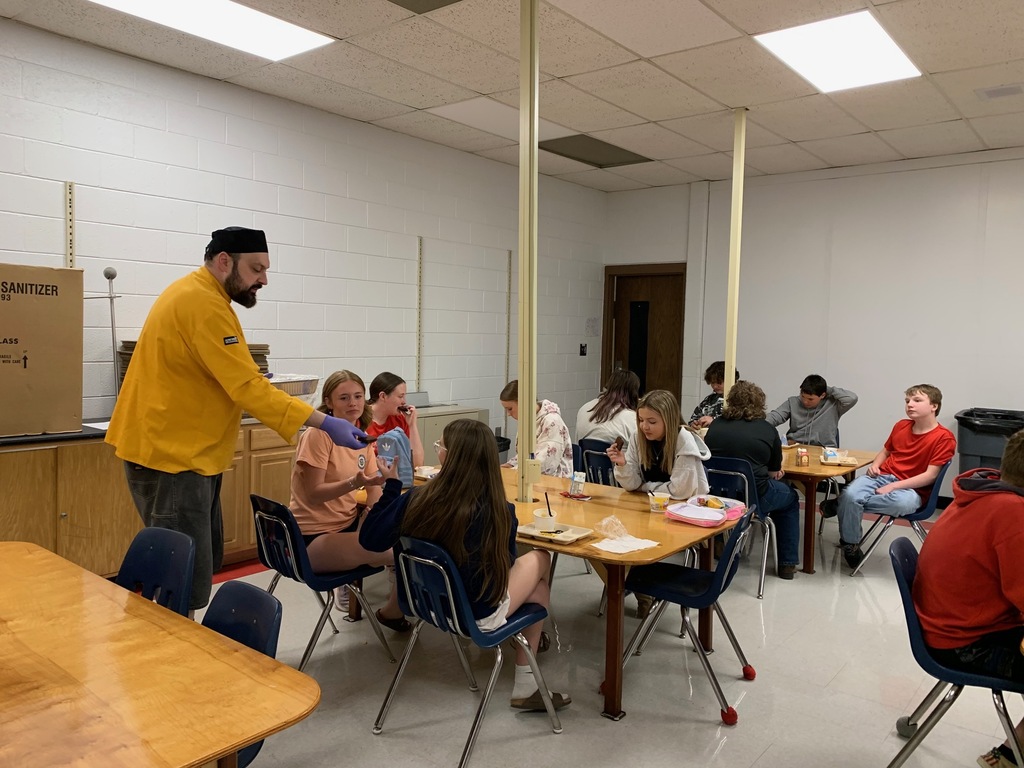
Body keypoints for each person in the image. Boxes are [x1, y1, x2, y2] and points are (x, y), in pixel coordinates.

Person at [106, 227, 367, 614]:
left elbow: (223, 376)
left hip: (179, 451)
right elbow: (246, 386)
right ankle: (171, 647)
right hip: (173, 457)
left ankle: (177, 639)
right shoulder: (203, 304)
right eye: (256, 269)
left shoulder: (196, 294)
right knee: (178, 578)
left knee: (191, 567)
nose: (263, 279)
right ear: (224, 261)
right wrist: (322, 422)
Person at [360, 419, 571, 712]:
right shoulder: (499, 511)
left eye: (440, 446)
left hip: (424, 606)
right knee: (541, 561)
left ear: (449, 456)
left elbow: (370, 540)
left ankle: (525, 664)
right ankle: (525, 683)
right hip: (475, 615)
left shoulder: (416, 499)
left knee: (538, 592)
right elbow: (504, 568)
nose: (437, 451)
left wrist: (392, 485)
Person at [913, 429, 1024, 768]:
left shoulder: (984, 491)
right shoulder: (1014, 514)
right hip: (965, 643)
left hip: (951, 625)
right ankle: (1011, 756)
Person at [288, 370, 409, 631]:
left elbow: (374, 491)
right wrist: (355, 483)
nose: (353, 403)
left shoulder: (361, 436)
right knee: (404, 553)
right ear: (329, 402)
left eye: (358, 396)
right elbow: (314, 493)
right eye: (344, 398)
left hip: (346, 526)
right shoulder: (318, 435)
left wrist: (378, 510)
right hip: (313, 537)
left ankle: (394, 605)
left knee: (402, 538)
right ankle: (392, 611)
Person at [835, 384, 956, 568]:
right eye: (907, 401)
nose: (910, 405)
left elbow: (930, 476)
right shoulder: (901, 425)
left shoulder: (944, 438)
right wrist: (875, 465)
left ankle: (841, 503)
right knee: (851, 495)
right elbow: (885, 451)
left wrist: (893, 486)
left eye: (917, 400)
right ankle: (850, 544)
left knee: (902, 503)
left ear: (934, 406)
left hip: (911, 488)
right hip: (882, 476)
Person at [704, 380, 801, 580]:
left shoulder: (716, 425)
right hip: (753, 500)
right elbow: (773, 472)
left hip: (718, 499)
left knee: (731, 492)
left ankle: (720, 543)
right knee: (790, 498)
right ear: (759, 403)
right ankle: (787, 563)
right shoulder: (767, 430)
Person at [608, 389, 710, 500]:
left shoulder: (684, 441)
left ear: (668, 421)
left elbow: (679, 492)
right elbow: (631, 485)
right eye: (641, 420)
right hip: (650, 502)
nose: (645, 427)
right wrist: (622, 465)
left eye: (652, 422)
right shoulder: (638, 437)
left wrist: (644, 487)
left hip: (682, 505)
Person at [499, 380, 573, 478]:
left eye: (510, 409)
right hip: (534, 477)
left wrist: (512, 472)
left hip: (556, 481)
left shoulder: (552, 422)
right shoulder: (527, 420)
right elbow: (526, 455)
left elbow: (545, 464)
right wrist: (510, 465)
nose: (508, 414)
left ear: (524, 402)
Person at [766, 374, 858, 447]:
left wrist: (827, 389)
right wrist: (760, 424)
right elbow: (774, 417)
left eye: (810, 399)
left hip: (824, 450)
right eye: (802, 396)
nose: (805, 401)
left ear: (822, 395)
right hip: (795, 446)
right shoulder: (793, 402)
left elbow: (852, 398)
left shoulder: (833, 404)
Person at [367, 372, 424, 468]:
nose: (404, 402)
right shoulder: (359, 420)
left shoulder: (400, 420)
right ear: (383, 396)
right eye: (400, 396)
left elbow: (417, 464)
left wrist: (412, 426)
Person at [576, 369, 640, 444]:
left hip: (584, 451)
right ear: (633, 393)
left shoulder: (585, 408)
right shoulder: (632, 417)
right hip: (618, 451)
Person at [689, 361, 740, 429]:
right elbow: (693, 419)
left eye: (719, 383)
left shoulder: (739, 399)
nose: (715, 386)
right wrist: (694, 424)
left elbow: (739, 424)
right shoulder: (709, 400)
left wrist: (714, 420)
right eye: (712, 383)